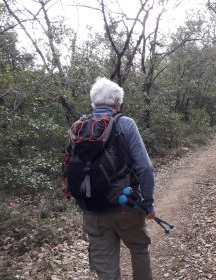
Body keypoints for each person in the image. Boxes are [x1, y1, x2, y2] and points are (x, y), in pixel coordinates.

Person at [82, 77, 155, 280]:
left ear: (95, 102)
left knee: (106, 269)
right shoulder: (125, 124)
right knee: (139, 249)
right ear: (116, 103)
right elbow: (145, 169)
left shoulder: (79, 127)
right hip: (126, 206)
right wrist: (148, 204)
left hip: (93, 209)